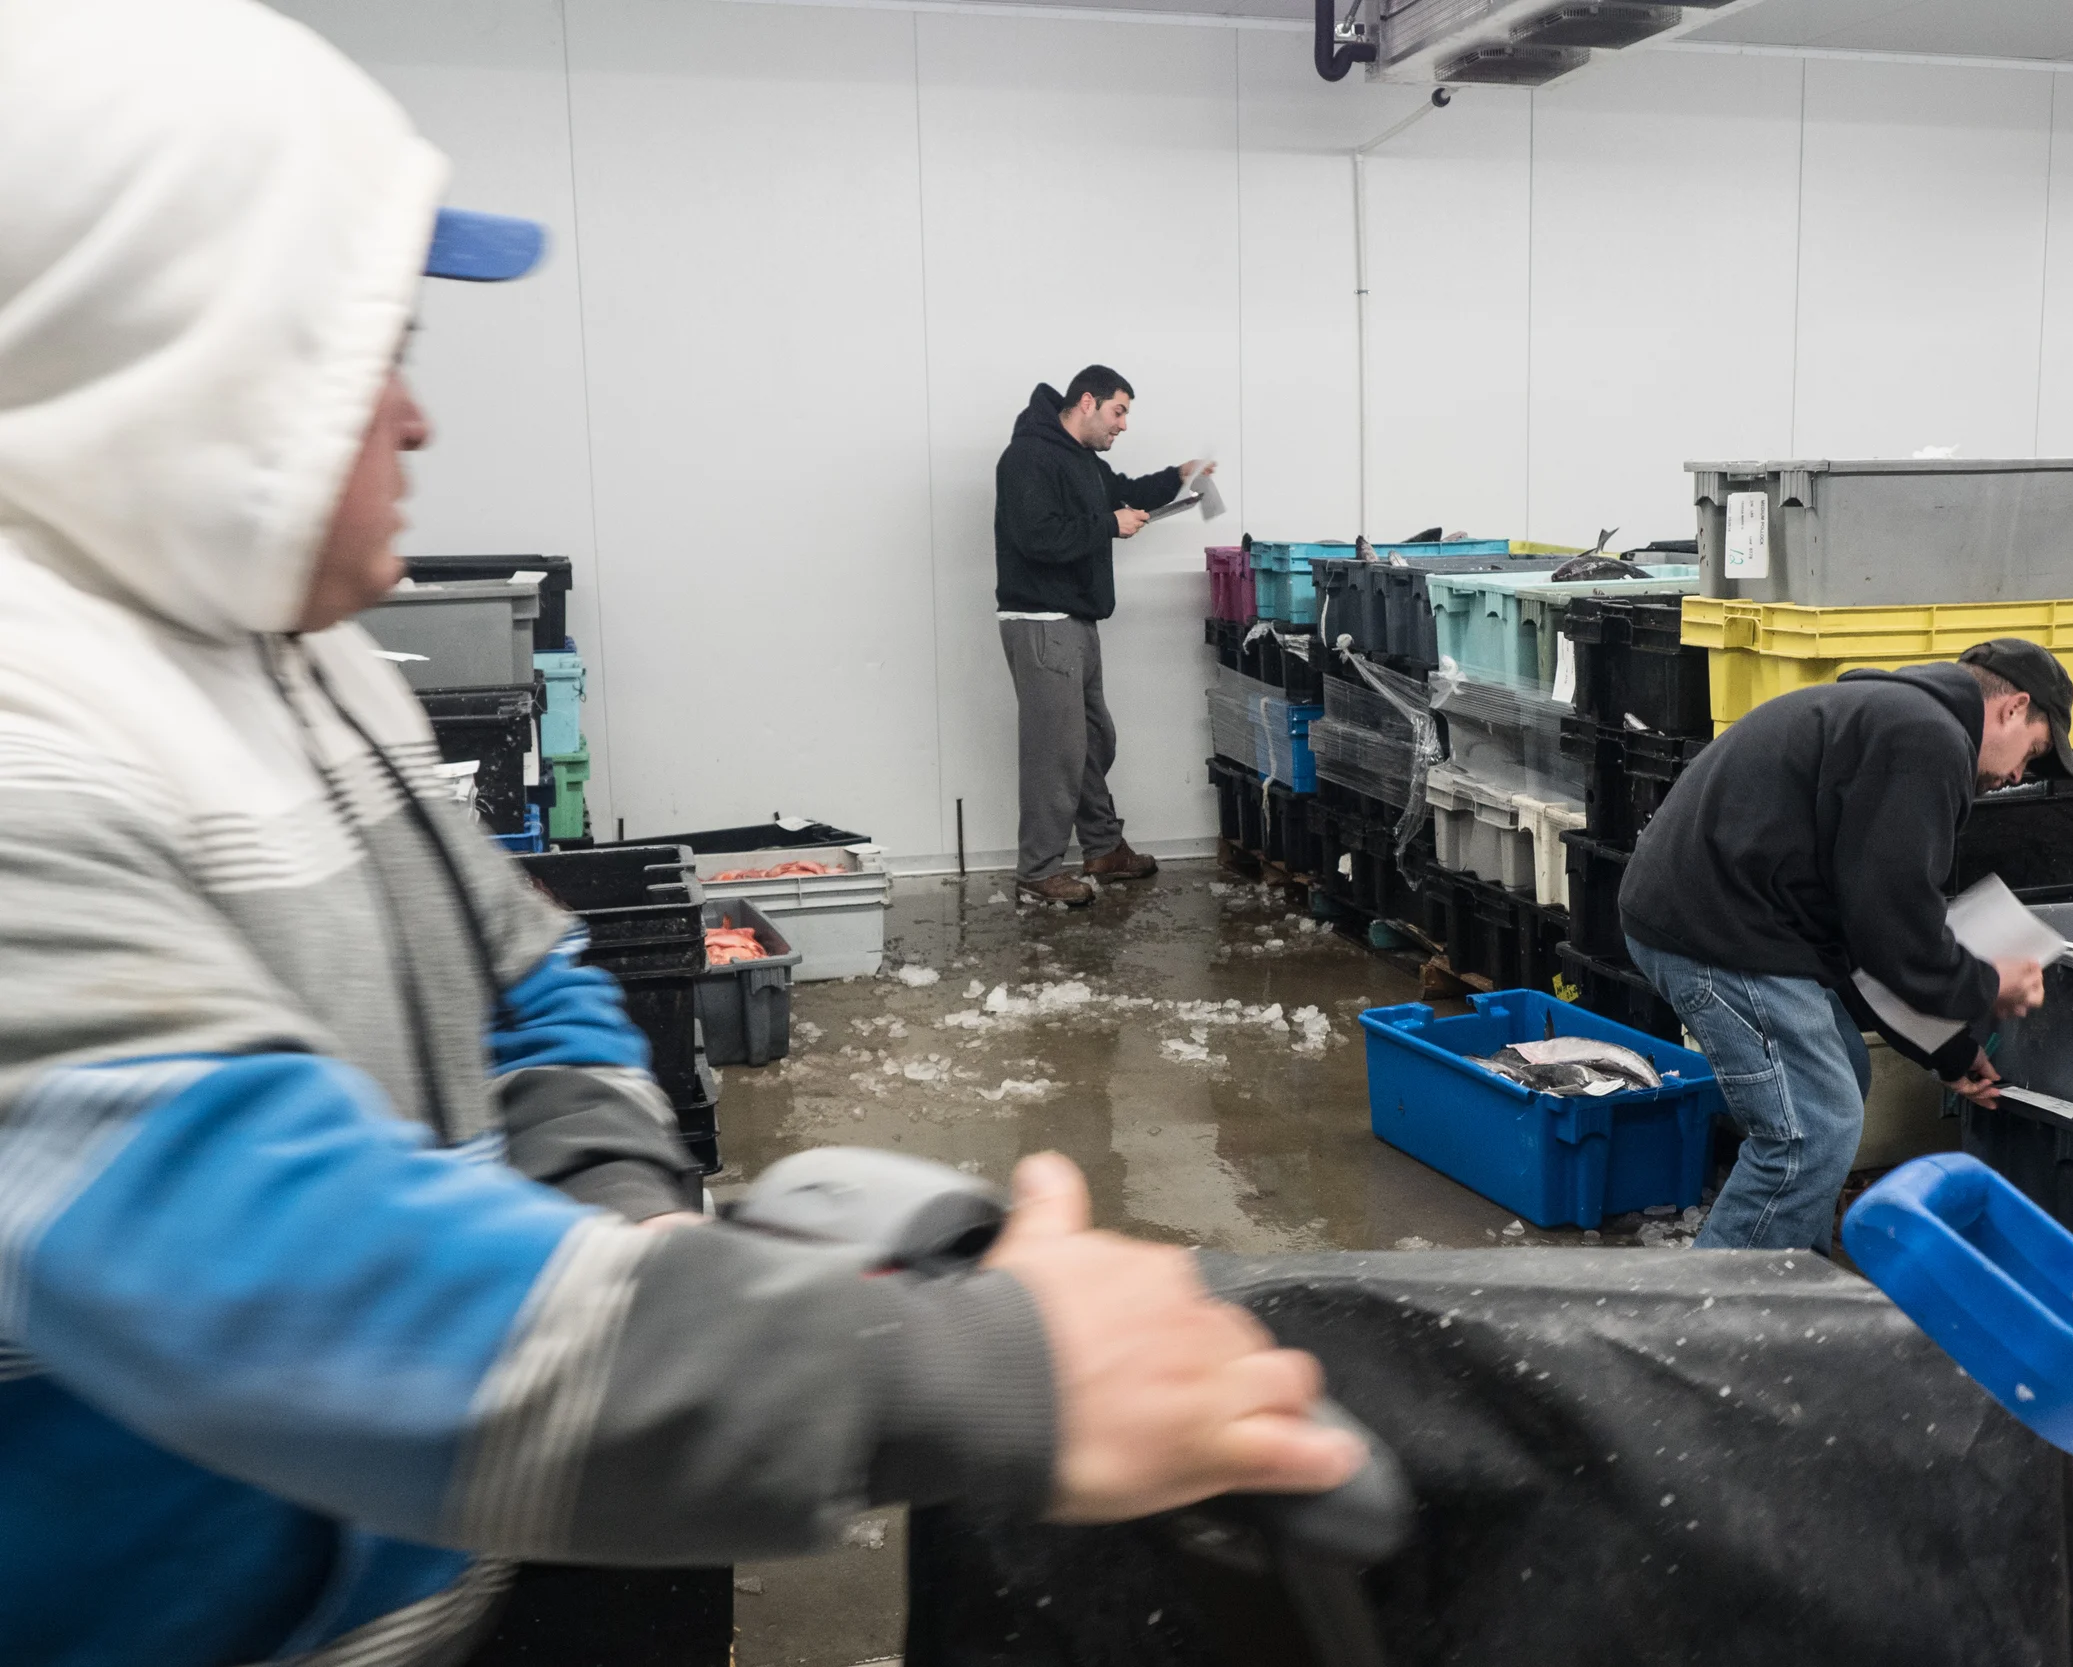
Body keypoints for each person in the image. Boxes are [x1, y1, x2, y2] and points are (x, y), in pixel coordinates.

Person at [0, 4, 1360, 1662]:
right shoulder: (33, 757)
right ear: (181, 353)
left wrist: (622, 1214)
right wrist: (994, 1370)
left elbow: (531, 971)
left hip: (430, 1570)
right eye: (369, 359)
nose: (419, 424)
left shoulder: (289, 658)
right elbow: (277, 1283)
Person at [1614, 640, 2068, 1254]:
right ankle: (1708, 1326)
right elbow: (1894, 925)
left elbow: (1866, 938)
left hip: (1728, 915)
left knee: (1843, 1073)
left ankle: (1795, 1278)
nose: (2018, 776)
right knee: (1810, 1132)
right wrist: (1989, 984)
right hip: (1719, 928)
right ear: (2014, 708)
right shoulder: (1927, 739)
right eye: (2033, 753)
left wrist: (1952, 1053)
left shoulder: (1895, 718)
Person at [994, 368, 1210, 907]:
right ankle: (1037, 874)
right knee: (1056, 753)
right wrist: (1108, 526)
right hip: (1043, 623)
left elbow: (1124, 493)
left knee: (1091, 740)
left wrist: (1179, 476)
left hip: (1076, 622)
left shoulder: (1080, 460)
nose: (1124, 425)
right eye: (1119, 412)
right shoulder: (1028, 457)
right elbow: (1036, 536)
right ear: (1086, 402)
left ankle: (1103, 848)